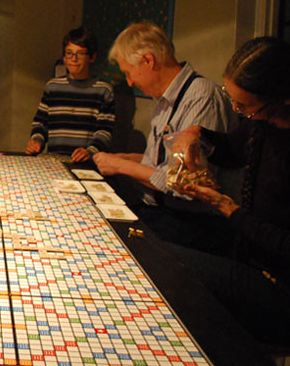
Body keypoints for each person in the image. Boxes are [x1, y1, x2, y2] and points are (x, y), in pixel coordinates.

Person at [165, 37, 290, 345]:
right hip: (246, 256)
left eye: (243, 106)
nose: (236, 110)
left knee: (169, 267)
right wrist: (194, 134)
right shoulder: (264, 123)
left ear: (280, 98)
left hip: (279, 285)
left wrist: (229, 209)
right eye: (231, 100)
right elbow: (234, 150)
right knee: (157, 253)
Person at [92, 23, 239, 249]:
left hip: (191, 224)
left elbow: (184, 183)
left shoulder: (201, 98)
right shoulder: (164, 100)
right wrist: (127, 159)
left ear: (148, 60)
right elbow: (160, 163)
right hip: (161, 213)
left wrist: (120, 166)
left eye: (128, 73)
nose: (130, 82)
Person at [26, 27, 115, 162]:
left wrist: (90, 151)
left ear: (92, 57)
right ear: (64, 57)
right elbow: (40, 123)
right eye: (69, 53)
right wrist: (36, 140)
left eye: (80, 53)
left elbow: (104, 132)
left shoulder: (103, 90)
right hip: (54, 162)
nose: (74, 59)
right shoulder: (53, 86)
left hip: (85, 165)